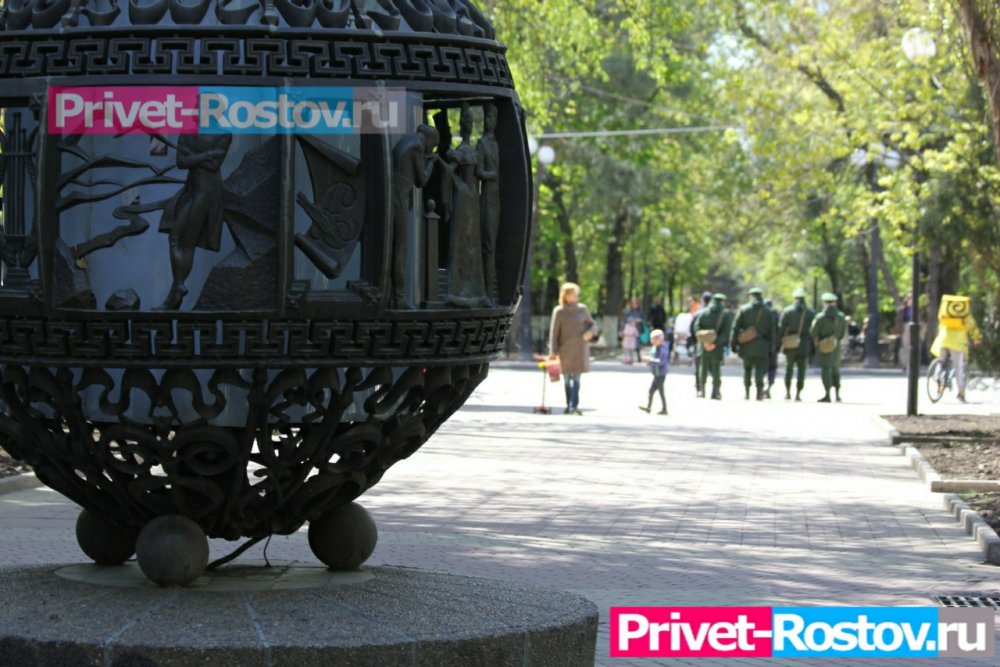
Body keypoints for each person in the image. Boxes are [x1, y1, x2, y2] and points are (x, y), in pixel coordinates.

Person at [157, 133, 232, 309]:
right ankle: (178, 286)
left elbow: (214, 166)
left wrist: (192, 157)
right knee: (175, 238)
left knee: (187, 243)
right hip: (191, 191)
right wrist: (208, 154)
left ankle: (175, 291)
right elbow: (181, 162)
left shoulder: (224, 133)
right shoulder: (188, 131)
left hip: (206, 194)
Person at [391, 123, 440, 309]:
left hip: (393, 198)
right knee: (400, 249)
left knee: (394, 249)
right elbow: (422, 180)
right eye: (433, 146)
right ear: (429, 140)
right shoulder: (418, 147)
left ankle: (393, 295)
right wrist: (431, 162)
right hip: (399, 201)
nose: (431, 149)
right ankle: (399, 297)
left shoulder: (405, 141)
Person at [549, 282, 598, 415]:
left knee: (576, 379)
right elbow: (554, 333)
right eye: (573, 293)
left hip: (580, 350)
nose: (576, 296)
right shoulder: (559, 311)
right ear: (565, 295)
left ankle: (574, 406)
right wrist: (553, 352)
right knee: (566, 380)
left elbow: (593, 325)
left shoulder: (582, 309)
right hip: (564, 351)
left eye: (576, 293)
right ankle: (569, 405)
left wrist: (590, 332)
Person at [930, 294, 982, 402]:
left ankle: (937, 376)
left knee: (941, 361)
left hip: (944, 340)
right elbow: (973, 328)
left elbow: (940, 321)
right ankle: (961, 393)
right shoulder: (965, 315)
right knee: (958, 367)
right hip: (957, 343)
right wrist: (977, 339)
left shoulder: (946, 312)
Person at [731, 287, 777, 400]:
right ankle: (759, 393)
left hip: (746, 345)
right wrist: (772, 347)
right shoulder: (769, 311)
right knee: (760, 369)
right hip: (762, 345)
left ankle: (747, 392)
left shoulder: (744, 309)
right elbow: (772, 332)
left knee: (747, 368)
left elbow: (735, 328)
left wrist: (733, 344)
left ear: (751, 296)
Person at [692, 293, 732, 399]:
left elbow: (696, 327)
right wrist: (715, 343)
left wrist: (705, 341)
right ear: (722, 301)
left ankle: (701, 391)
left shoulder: (704, 312)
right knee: (716, 368)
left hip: (703, 345)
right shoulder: (725, 314)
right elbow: (726, 332)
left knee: (702, 367)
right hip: (717, 347)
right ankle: (716, 392)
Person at [778, 287, 815, 401]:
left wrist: (779, 343)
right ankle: (798, 393)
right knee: (802, 370)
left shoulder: (787, 311)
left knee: (788, 368)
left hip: (790, 342)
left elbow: (781, 328)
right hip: (804, 343)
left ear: (794, 298)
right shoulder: (810, 312)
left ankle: (788, 392)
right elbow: (814, 330)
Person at [810, 292, 846, 402]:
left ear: (824, 303)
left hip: (823, 346)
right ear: (835, 303)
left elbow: (813, 332)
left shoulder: (820, 317)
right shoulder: (841, 317)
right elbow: (842, 334)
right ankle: (838, 394)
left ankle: (827, 394)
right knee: (836, 370)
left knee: (826, 370)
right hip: (836, 345)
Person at [638, 329, 669, 415]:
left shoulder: (663, 349)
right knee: (651, 391)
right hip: (656, 373)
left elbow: (661, 361)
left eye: (655, 339)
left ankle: (664, 409)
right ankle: (649, 407)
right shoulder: (655, 348)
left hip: (661, 374)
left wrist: (649, 360)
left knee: (660, 391)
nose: (653, 341)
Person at [690, 291, 712, 396]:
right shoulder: (715, 313)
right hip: (713, 344)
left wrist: (695, 341)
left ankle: (700, 388)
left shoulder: (698, 313)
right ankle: (715, 390)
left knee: (699, 367)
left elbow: (692, 329)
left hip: (699, 344)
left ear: (703, 301)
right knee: (713, 367)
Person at [763, 298, 780, 398]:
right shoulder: (775, 315)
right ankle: (768, 387)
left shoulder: (762, 314)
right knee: (772, 368)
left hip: (763, 345)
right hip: (774, 345)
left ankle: (761, 388)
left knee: (762, 367)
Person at [623, 297, 644, 363]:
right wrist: (632, 321)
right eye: (633, 303)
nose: (634, 305)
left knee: (637, 343)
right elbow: (625, 320)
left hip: (637, 328)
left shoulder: (640, 311)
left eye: (636, 303)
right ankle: (628, 358)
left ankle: (638, 355)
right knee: (628, 345)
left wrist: (639, 320)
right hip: (629, 330)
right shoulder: (628, 311)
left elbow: (643, 319)